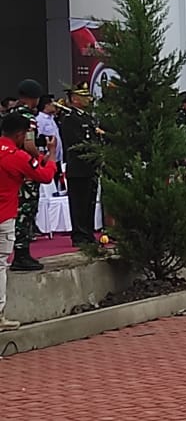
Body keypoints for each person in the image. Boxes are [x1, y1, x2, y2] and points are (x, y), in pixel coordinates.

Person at [1, 110, 58, 329]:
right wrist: (51, 154)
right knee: (0, 265)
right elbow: (45, 176)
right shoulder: (17, 156)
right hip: (4, 216)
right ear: (19, 135)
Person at [56, 83, 101, 249]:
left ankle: (88, 232)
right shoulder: (70, 118)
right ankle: (79, 234)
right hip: (78, 166)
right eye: (84, 96)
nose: (88, 99)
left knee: (89, 202)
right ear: (75, 99)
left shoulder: (87, 117)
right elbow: (74, 142)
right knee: (79, 203)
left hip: (91, 166)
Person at [8, 79, 45, 271]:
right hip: (25, 169)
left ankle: (19, 252)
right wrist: (40, 159)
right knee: (27, 210)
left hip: (10, 166)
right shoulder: (28, 117)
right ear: (35, 97)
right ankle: (22, 254)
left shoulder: (11, 112)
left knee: (17, 209)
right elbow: (29, 144)